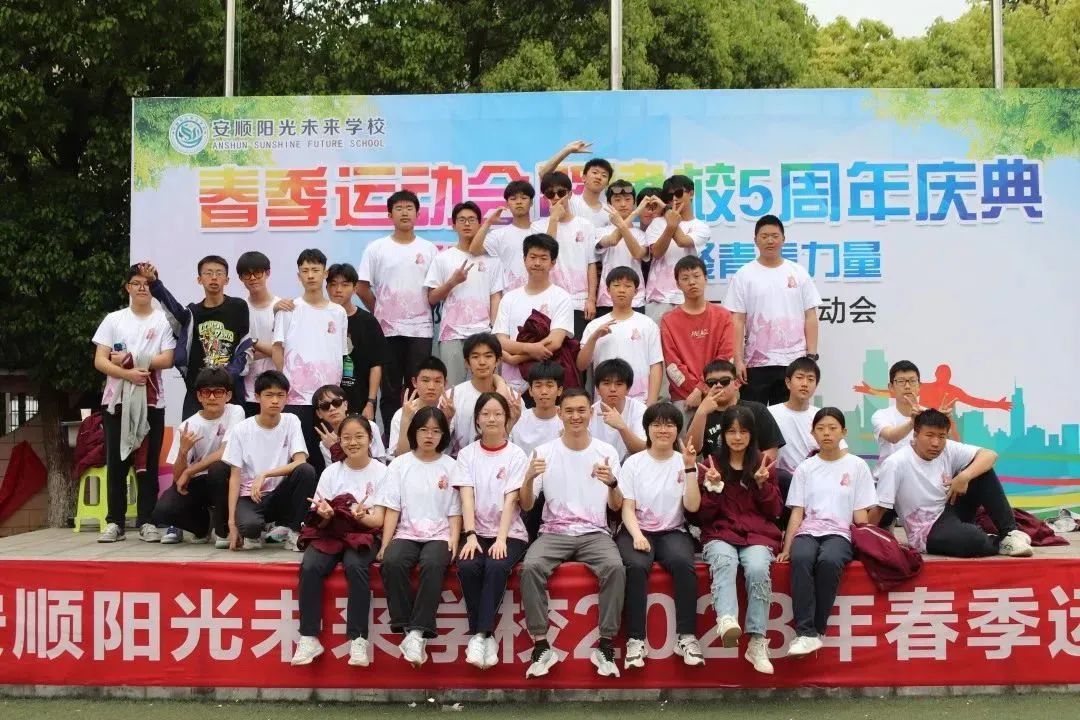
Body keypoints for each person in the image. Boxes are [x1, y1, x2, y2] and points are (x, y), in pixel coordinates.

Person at [519, 389, 625, 679]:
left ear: (590, 413)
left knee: (615, 567)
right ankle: (542, 645)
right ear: (559, 414)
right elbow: (526, 504)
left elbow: (616, 506)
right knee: (531, 567)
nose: (575, 416)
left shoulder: (606, 451)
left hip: (595, 532)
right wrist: (528, 479)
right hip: (553, 531)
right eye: (569, 411)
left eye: (581, 410)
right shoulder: (544, 452)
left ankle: (605, 645)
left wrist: (613, 483)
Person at [290, 415, 387, 668]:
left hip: (365, 533)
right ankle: (309, 637)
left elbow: (379, 519)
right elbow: (319, 515)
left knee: (356, 566)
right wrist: (325, 514)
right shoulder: (331, 472)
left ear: (370, 439)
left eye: (359, 437)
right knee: (310, 566)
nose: (353, 443)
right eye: (346, 438)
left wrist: (362, 517)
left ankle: (358, 639)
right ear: (339, 442)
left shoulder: (383, 472)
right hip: (332, 531)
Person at [777, 408, 875, 656]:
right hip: (809, 529)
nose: (826, 434)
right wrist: (787, 548)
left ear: (844, 432)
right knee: (801, 557)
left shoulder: (857, 466)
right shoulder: (805, 468)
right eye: (820, 429)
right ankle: (805, 632)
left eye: (832, 428)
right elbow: (797, 512)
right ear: (813, 433)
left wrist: (867, 545)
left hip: (840, 532)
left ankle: (815, 630)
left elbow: (860, 515)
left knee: (830, 560)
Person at [870, 409, 1033, 558]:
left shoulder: (947, 448)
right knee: (973, 540)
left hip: (950, 506)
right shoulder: (895, 463)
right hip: (927, 529)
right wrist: (861, 536)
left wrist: (964, 476)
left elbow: (990, 455)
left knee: (982, 471)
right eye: (929, 435)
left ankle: (1009, 533)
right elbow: (880, 508)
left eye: (941, 436)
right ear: (915, 434)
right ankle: (995, 542)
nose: (936, 443)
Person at [92, 264, 177, 543]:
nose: (142, 287)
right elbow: (100, 360)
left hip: (152, 402)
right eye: (136, 283)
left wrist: (129, 359)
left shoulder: (163, 321)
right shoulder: (114, 319)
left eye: (147, 283)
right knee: (117, 462)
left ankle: (147, 521)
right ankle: (114, 522)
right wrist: (128, 373)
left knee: (148, 464)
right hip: (116, 401)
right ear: (128, 287)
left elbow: (167, 359)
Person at [617, 402, 704, 670]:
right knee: (636, 565)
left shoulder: (684, 461)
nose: (663, 430)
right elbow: (627, 508)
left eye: (669, 425)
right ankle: (635, 640)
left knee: (683, 563)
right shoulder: (634, 463)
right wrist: (637, 535)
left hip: (673, 530)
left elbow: (692, 507)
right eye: (656, 424)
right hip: (636, 528)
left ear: (677, 430)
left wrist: (690, 469)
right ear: (647, 429)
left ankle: (686, 637)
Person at [697, 406, 782, 675]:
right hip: (720, 532)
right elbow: (702, 516)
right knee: (724, 560)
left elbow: (775, 511)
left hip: (758, 534)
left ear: (752, 434)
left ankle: (757, 640)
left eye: (743, 431)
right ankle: (727, 620)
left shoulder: (763, 463)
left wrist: (762, 486)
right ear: (723, 434)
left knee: (757, 567)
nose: (737, 437)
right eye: (731, 431)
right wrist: (713, 488)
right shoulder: (711, 464)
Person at [378, 406, 461, 667]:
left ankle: (416, 633)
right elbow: (392, 508)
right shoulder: (400, 465)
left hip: (440, 533)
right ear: (414, 432)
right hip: (406, 531)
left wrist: (454, 539)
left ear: (443, 435)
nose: (429, 436)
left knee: (433, 564)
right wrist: (385, 544)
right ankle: (407, 627)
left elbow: (455, 510)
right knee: (392, 561)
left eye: (436, 431)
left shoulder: (452, 466)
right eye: (424, 430)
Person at [452, 392, 530, 669]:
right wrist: (471, 534)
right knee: (468, 565)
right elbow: (467, 496)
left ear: (507, 419)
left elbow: (511, 500)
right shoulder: (467, 454)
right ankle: (485, 637)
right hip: (476, 531)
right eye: (485, 414)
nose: (492, 419)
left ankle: (479, 634)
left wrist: (501, 539)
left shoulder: (516, 454)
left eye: (498, 414)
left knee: (497, 565)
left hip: (509, 532)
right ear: (477, 420)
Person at [357, 190, 437, 431]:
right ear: (389, 214)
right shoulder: (376, 248)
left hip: (420, 330)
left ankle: (417, 436)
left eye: (409, 208)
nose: (404, 213)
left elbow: (434, 291)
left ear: (418, 214)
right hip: (387, 331)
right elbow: (362, 287)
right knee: (390, 390)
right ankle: (392, 439)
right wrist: (380, 311)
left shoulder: (429, 249)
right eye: (399, 208)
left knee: (418, 387)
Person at [726, 215, 822, 406]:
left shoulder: (798, 272)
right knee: (753, 417)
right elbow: (737, 320)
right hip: (755, 362)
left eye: (775, 236)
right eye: (764, 236)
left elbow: (810, 317)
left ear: (783, 239)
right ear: (755, 240)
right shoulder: (744, 275)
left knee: (789, 416)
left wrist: (811, 357)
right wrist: (738, 360)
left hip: (793, 362)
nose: (770, 240)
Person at [141, 257, 250, 420]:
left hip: (229, 392)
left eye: (219, 273)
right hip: (198, 392)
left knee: (233, 436)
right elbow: (174, 309)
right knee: (190, 434)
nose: (214, 277)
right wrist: (155, 283)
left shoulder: (238, 307)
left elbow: (246, 345)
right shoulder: (192, 313)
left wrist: (228, 375)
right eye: (208, 273)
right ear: (199, 279)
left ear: (227, 280)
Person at [272, 248, 348, 475]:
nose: (311, 275)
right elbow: (277, 348)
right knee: (302, 460)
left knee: (333, 457)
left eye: (315, 270)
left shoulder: (338, 312)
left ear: (325, 273)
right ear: (299, 276)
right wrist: (284, 384)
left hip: (330, 401)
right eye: (305, 271)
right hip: (297, 398)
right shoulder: (289, 309)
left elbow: (342, 353)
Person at [224, 370, 318, 552]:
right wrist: (231, 523)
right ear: (257, 397)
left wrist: (265, 474)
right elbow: (235, 477)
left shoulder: (291, 421)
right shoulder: (241, 429)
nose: (275, 400)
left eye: (280, 395)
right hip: (252, 496)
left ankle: (294, 532)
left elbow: (300, 461)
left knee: (306, 471)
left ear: (287, 398)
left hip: (280, 493)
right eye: (269, 395)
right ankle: (259, 529)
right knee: (249, 527)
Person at [152, 368, 245, 547]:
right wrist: (183, 452)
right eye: (206, 392)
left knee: (218, 468)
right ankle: (202, 527)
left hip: (226, 478)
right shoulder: (187, 426)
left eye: (218, 392)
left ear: (228, 395)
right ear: (199, 396)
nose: (212, 397)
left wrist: (190, 471)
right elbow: (178, 478)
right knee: (162, 511)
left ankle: (223, 531)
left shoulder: (235, 412)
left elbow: (225, 452)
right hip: (198, 483)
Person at [425, 201, 504, 386]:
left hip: (484, 332)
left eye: (471, 219)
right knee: (452, 390)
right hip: (452, 334)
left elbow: (495, 296)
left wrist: (494, 330)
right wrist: (452, 282)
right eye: (461, 220)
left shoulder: (492, 259)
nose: (467, 224)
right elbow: (432, 298)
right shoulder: (443, 258)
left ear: (480, 224)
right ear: (453, 225)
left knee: (487, 389)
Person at [492, 233, 575, 394]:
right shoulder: (509, 298)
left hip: (545, 385)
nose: (537, 263)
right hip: (510, 384)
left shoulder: (561, 297)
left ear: (553, 263)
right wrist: (529, 348)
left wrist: (516, 358)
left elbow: (554, 342)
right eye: (533, 257)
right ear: (524, 259)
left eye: (543, 258)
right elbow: (501, 341)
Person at [579, 267, 663, 404]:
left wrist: (651, 403)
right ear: (607, 290)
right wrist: (594, 338)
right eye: (616, 285)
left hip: (640, 402)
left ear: (636, 291)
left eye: (627, 286)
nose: (622, 290)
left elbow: (655, 364)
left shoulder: (648, 324)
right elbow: (581, 365)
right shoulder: (595, 325)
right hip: (604, 403)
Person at [660, 256, 734, 411]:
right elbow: (672, 364)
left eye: (696, 276)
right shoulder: (669, 320)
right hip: (685, 397)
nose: (692, 282)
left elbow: (726, 357)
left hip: (720, 393)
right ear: (678, 284)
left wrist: (702, 389)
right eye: (685, 278)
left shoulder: (723, 315)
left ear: (705, 278)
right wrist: (695, 391)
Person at [536, 172, 598, 338]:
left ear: (570, 194)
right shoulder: (537, 227)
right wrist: (554, 219)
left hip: (579, 303)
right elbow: (545, 253)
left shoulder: (586, 225)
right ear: (545, 198)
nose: (556, 197)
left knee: (577, 351)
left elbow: (591, 264)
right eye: (550, 194)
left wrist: (591, 299)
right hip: (547, 303)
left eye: (561, 192)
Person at [643, 175, 711, 328]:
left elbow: (682, 241)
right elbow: (657, 252)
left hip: (687, 297)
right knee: (657, 342)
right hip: (659, 299)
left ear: (691, 193)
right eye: (669, 196)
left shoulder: (701, 227)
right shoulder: (657, 223)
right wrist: (670, 224)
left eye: (679, 193)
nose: (674, 199)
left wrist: (669, 216)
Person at [687, 360, 784, 464]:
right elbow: (692, 450)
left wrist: (752, 470)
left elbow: (771, 449)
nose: (718, 385)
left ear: (737, 384)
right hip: (716, 472)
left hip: (753, 471)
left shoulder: (757, 409)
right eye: (712, 382)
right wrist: (701, 412)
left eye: (725, 381)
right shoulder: (702, 415)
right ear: (705, 388)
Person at [869, 360, 957, 470]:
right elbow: (892, 437)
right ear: (891, 387)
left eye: (912, 381)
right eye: (901, 381)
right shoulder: (881, 415)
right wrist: (912, 422)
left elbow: (946, 444)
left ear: (919, 386)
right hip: (890, 475)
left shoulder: (930, 414)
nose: (907, 386)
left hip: (924, 475)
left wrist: (944, 422)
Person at [326, 263, 386, 423]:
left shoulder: (368, 321)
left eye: (345, 285)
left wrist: (370, 402)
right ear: (326, 288)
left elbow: (376, 365)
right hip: (326, 403)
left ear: (354, 289)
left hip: (359, 400)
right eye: (333, 284)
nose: (338, 289)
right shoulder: (319, 319)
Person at [446, 333, 520, 456]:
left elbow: (518, 444)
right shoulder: (452, 397)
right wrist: (446, 419)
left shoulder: (513, 399)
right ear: (467, 363)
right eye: (475, 357)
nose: (482, 362)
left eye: (488, 356)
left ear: (498, 360)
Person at [237, 251, 283, 417]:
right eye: (247, 274)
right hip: (247, 389)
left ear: (267, 273)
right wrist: (271, 350)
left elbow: (285, 352)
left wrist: (253, 342)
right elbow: (239, 352)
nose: (253, 278)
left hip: (277, 388)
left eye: (257, 273)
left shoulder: (281, 307)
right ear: (241, 278)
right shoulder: (238, 308)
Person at [469, 180, 536, 292]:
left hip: (539, 293)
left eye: (524, 198)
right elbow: (474, 250)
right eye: (513, 199)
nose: (519, 202)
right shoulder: (499, 235)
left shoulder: (541, 230)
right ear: (507, 204)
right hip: (510, 295)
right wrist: (488, 222)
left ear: (531, 202)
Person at [594, 180, 647, 313]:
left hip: (636, 298)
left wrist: (626, 220)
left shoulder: (641, 234)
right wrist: (634, 214)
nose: (623, 204)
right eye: (617, 200)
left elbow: (638, 254)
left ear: (634, 203)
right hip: (607, 298)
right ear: (609, 204)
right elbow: (612, 240)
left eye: (628, 199)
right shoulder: (600, 232)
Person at [769, 357, 827, 476]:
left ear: (816, 385)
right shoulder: (770, 413)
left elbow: (839, 451)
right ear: (788, 382)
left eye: (810, 379)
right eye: (800, 378)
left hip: (814, 478)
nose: (805, 384)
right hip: (780, 480)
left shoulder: (822, 416)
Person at [536, 140, 613, 229]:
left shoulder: (609, 212)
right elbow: (544, 175)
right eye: (595, 172)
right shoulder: (569, 199)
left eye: (604, 175)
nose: (599, 177)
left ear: (607, 183)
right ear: (583, 177)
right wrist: (567, 150)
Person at [387, 356, 452, 459]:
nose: (431, 387)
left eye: (437, 381)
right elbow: (400, 456)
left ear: (445, 383)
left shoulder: (450, 410)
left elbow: (445, 450)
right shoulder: (402, 414)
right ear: (414, 382)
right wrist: (406, 420)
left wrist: (447, 419)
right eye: (425, 380)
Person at [311, 384, 388, 466]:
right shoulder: (325, 442)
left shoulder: (369, 426)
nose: (332, 408)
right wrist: (334, 447)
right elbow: (333, 471)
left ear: (345, 405)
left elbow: (380, 462)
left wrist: (336, 447)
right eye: (325, 406)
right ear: (319, 414)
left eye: (336, 402)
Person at [588, 359, 647, 462]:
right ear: (597, 389)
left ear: (628, 389)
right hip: (597, 465)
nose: (613, 389)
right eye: (606, 383)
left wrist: (622, 427)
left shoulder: (639, 409)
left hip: (630, 465)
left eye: (619, 384)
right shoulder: (589, 413)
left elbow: (643, 450)